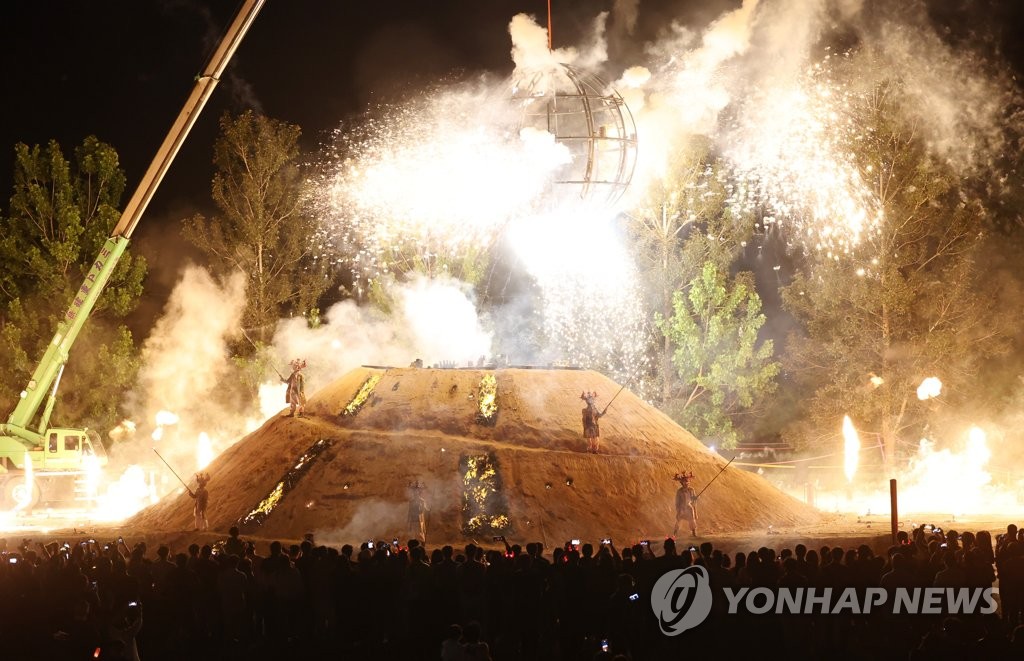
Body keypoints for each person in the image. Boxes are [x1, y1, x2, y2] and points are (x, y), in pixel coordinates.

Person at [673, 471, 698, 537]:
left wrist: (695, 498)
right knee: (678, 520)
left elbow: (693, 500)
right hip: (682, 508)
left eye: (687, 481)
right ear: (682, 483)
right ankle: (675, 534)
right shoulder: (679, 491)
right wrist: (678, 509)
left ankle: (694, 533)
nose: (686, 483)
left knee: (692, 520)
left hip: (689, 507)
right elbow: (677, 501)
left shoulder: (691, 490)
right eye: (685, 481)